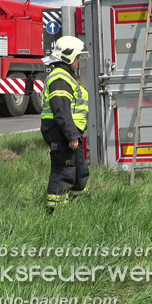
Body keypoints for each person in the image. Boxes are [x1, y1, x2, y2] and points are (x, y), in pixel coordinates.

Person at [40, 36, 90, 214]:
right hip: (60, 132)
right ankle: (55, 212)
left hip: (68, 132)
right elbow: (60, 110)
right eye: (77, 57)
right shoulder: (60, 78)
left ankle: (77, 206)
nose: (79, 61)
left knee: (79, 168)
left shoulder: (66, 76)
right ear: (69, 57)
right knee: (64, 170)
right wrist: (71, 135)